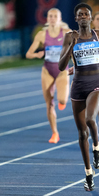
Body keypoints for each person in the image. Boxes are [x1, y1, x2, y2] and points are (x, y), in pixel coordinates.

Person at [58, 3, 99, 191]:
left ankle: (97, 149)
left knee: (91, 119)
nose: (83, 16)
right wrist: (71, 47)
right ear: (76, 18)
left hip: (95, 84)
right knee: (81, 133)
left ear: (91, 18)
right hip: (77, 86)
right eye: (80, 14)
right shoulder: (70, 37)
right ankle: (88, 174)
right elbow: (61, 66)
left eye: (86, 14)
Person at [26, 8, 70, 144]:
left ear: (60, 18)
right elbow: (28, 54)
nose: (52, 18)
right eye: (50, 16)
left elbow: (77, 48)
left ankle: (62, 101)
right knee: (49, 104)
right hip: (47, 71)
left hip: (62, 71)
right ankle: (55, 132)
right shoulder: (42, 35)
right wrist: (36, 54)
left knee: (62, 100)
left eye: (55, 16)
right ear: (47, 18)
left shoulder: (67, 33)